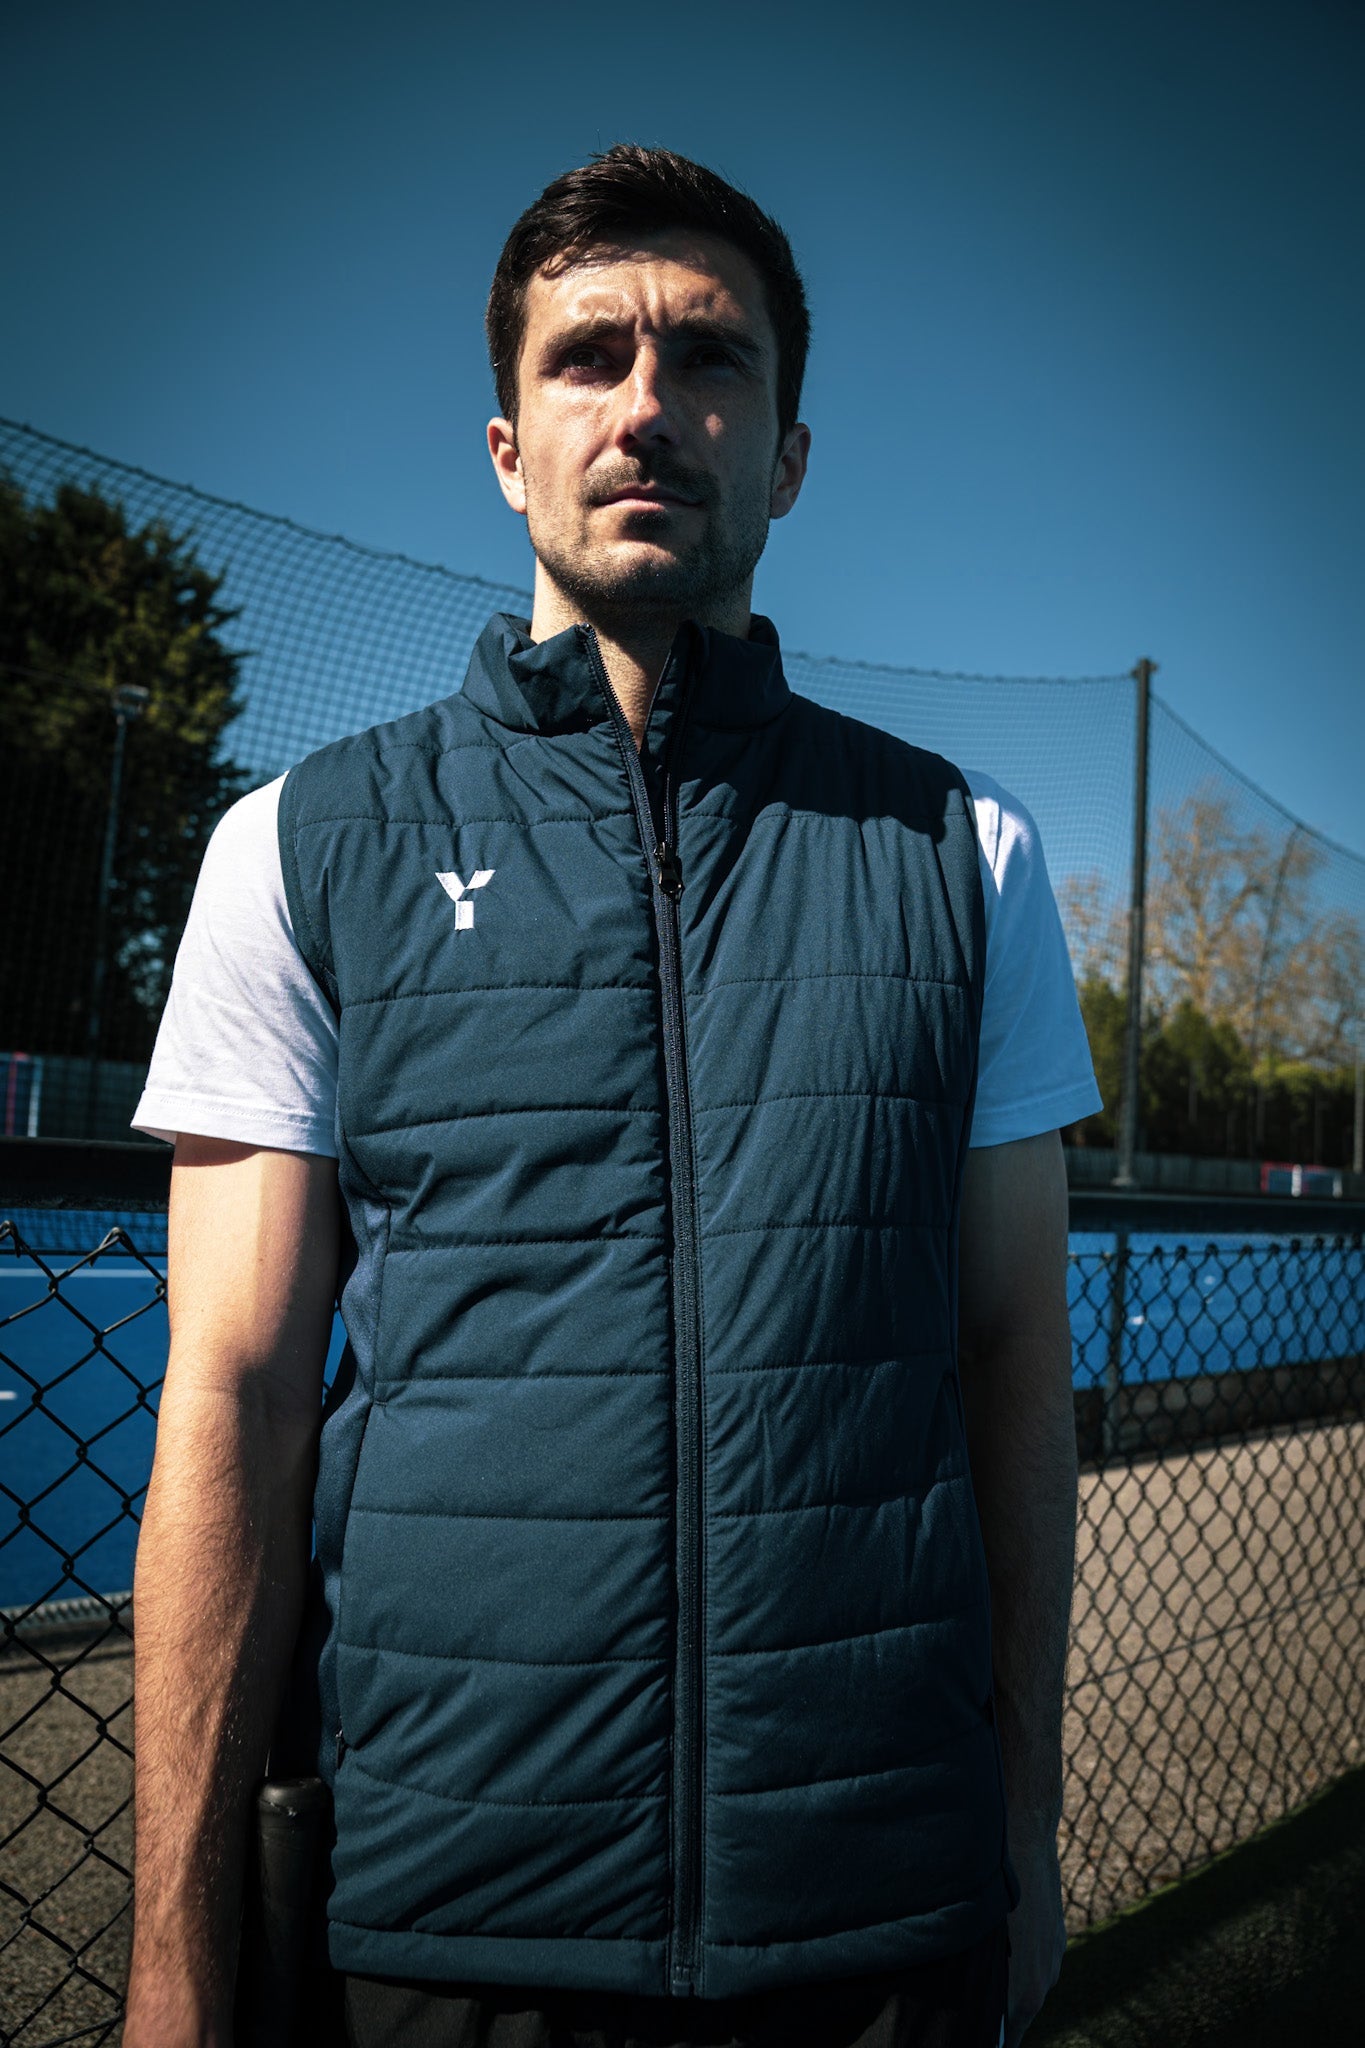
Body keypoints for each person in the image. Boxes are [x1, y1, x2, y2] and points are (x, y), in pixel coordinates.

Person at [123, 145, 1101, 2048]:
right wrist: (176, 1954)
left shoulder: (962, 852)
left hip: (875, 1921)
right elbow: (232, 1394)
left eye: (708, 356)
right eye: (588, 357)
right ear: (509, 449)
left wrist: (1027, 1832)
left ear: (787, 455)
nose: (647, 405)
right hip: (442, 1915)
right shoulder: (298, 844)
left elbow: (1010, 1361)